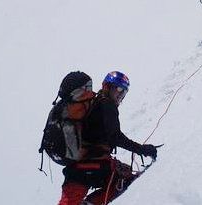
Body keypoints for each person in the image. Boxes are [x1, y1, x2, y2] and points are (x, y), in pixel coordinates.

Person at [58, 71, 158, 205]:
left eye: (124, 92)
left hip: (76, 167)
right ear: (107, 86)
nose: (121, 94)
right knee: (124, 178)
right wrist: (143, 150)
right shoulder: (107, 105)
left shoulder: (93, 103)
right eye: (119, 89)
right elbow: (115, 137)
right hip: (93, 165)